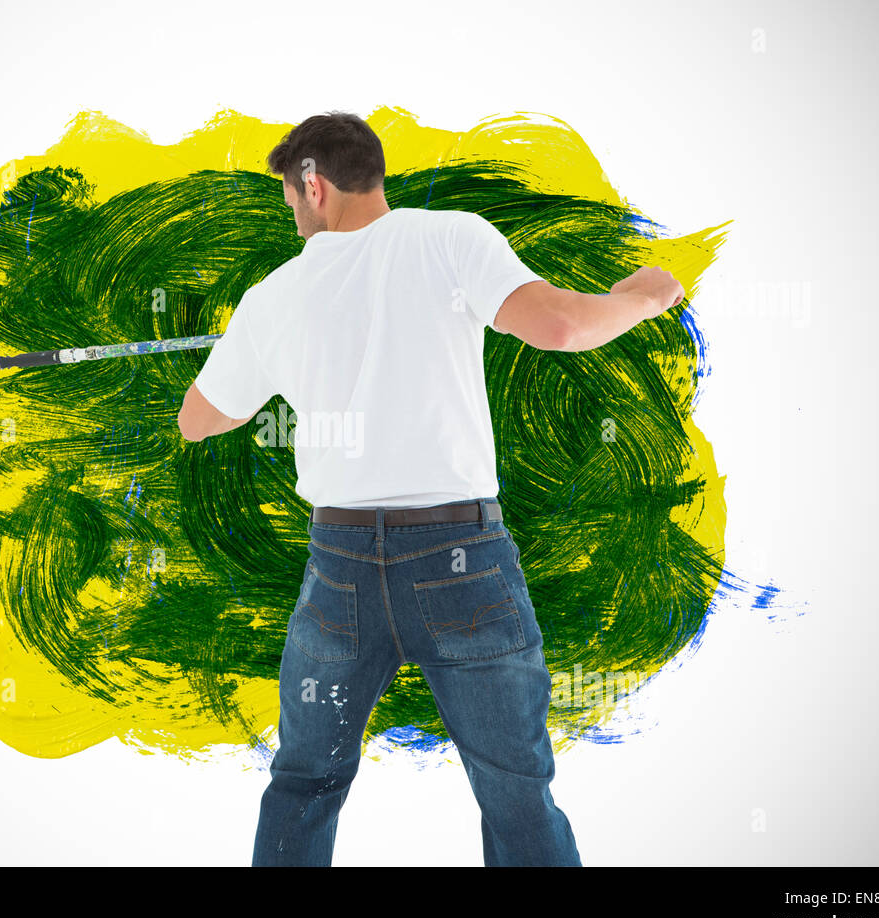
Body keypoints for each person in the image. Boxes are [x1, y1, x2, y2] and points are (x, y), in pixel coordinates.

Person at [176, 111, 684, 866]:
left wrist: (254, 349)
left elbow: (197, 421)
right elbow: (562, 326)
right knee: (516, 792)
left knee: (305, 781)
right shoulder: (449, 237)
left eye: (289, 199)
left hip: (339, 571)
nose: (292, 217)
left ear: (312, 184)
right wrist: (642, 296)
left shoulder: (273, 297)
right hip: (462, 561)